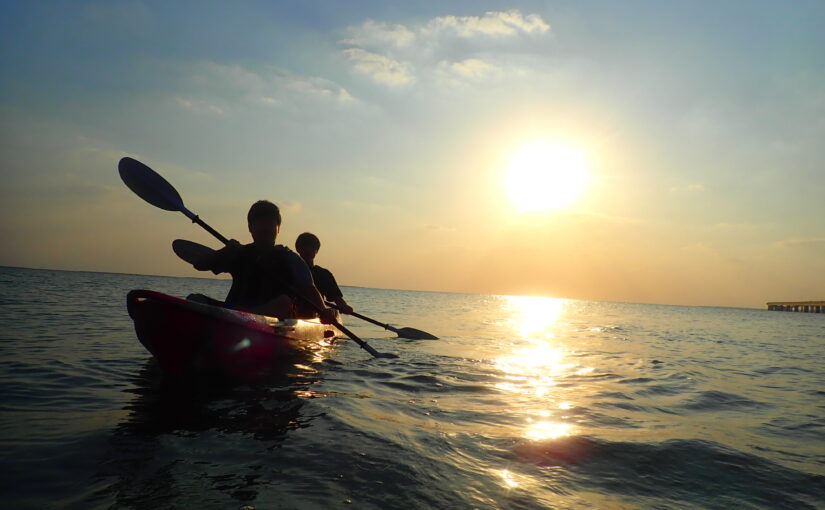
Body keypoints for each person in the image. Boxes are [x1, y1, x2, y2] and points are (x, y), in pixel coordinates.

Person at [192, 200, 336, 323]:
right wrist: (225, 251)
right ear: (250, 227)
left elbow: (309, 289)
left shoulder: (289, 258)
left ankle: (245, 318)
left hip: (272, 318)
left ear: (278, 228)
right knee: (195, 299)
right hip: (235, 312)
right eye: (260, 224)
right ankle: (241, 317)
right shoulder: (238, 252)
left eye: (269, 224)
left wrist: (324, 311)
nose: (265, 229)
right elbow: (200, 265)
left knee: (284, 302)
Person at [295, 232, 354, 315]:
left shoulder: (323, 274)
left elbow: (337, 299)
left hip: (315, 314)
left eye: (311, 247)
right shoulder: (289, 270)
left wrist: (343, 306)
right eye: (304, 246)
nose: (308, 250)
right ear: (298, 249)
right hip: (293, 312)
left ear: (316, 251)